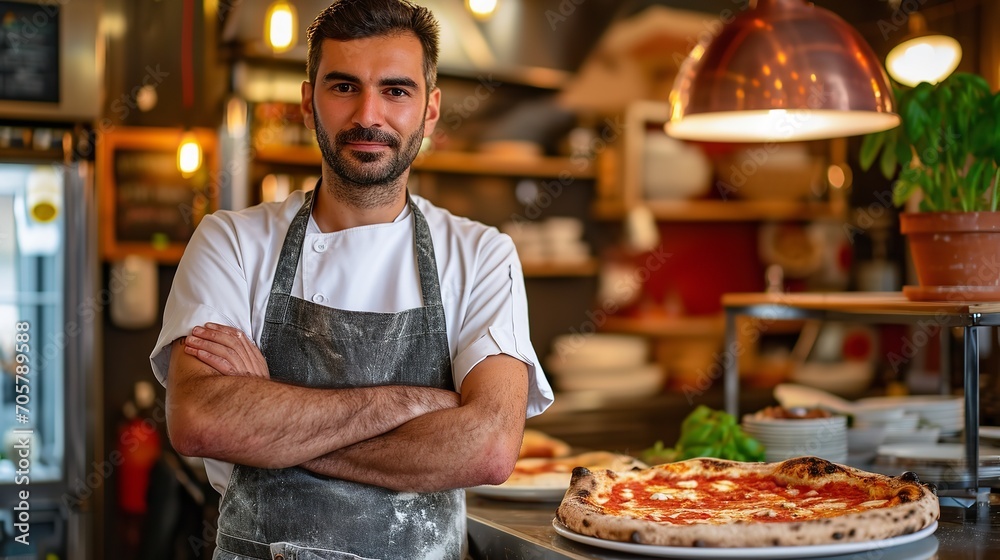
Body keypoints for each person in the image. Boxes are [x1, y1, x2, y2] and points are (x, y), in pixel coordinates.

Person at [149, 1, 554, 558]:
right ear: (307, 100)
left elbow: (487, 447)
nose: (369, 114)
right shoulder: (230, 242)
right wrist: (413, 405)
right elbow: (199, 421)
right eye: (343, 87)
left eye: (396, 90)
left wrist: (271, 429)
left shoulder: (482, 254)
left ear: (430, 109)